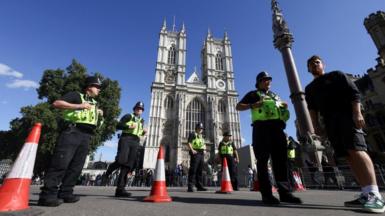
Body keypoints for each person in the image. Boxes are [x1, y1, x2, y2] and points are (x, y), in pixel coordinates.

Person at [305, 55, 384, 213]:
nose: (314, 65)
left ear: (323, 64)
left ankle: (375, 195)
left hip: (346, 116)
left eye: (317, 62)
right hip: (329, 122)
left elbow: (354, 94)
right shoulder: (310, 88)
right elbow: (312, 109)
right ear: (308, 69)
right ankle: (365, 192)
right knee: (347, 154)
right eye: (311, 64)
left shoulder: (337, 75)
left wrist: (357, 113)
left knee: (357, 149)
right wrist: (316, 127)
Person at [236, 71, 302, 205]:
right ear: (259, 82)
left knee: (281, 162)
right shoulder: (253, 94)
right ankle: (267, 195)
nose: (268, 82)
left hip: (278, 129)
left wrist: (284, 107)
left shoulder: (275, 96)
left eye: (269, 80)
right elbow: (238, 106)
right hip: (261, 129)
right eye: (266, 80)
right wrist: (252, 105)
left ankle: (285, 193)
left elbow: (281, 111)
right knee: (262, 162)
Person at [38, 76, 103, 206]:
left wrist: (99, 115)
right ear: (89, 86)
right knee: (60, 163)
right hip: (72, 132)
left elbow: (95, 122)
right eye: (97, 87)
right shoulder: (76, 95)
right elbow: (57, 103)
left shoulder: (94, 104)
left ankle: (66, 192)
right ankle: (47, 195)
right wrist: (79, 106)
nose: (99, 90)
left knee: (76, 167)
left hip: (86, 136)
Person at [113, 101, 147, 197]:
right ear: (134, 109)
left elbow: (139, 133)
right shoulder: (128, 116)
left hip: (135, 141)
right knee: (122, 160)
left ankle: (120, 188)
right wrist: (128, 125)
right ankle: (111, 170)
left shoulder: (141, 121)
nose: (139, 110)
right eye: (138, 108)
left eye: (141, 109)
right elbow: (118, 125)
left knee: (128, 165)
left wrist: (144, 133)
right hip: (126, 138)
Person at [187, 122, 208, 192]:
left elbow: (204, 144)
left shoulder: (202, 136)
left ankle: (199, 186)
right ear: (196, 128)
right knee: (193, 169)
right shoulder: (193, 134)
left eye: (201, 128)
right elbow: (189, 142)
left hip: (201, 153)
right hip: (195, 153)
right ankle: (190, 186)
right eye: (199, 128)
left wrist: (205, 150)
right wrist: (192, 150)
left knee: (200, 170)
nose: (201, 130)